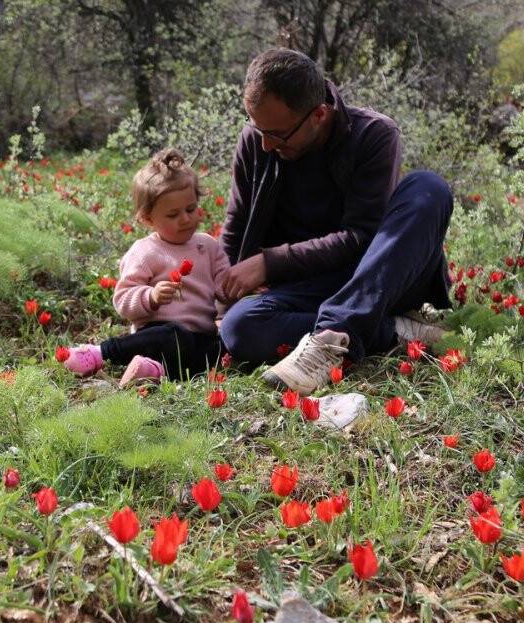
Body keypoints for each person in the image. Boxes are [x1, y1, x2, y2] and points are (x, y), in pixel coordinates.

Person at [218, 48, 454, 396]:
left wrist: (269, 263)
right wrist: (219, 308)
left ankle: (330, 339)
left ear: (319, 115)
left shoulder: (374, 134)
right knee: (240, 327)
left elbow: (360, 238)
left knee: (428, 187)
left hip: (375, 276)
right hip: (306, 286)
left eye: (278, 134)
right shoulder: (257, 140)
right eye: (258, 128)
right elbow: (237, 223)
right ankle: (393, 331)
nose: (265, 144)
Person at [64, 148, 229, 386]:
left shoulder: (208, 246)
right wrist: (150, 295)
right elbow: (123, 300)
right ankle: (101, 353)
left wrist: (235, 287)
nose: (185, 219)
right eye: (173, 214)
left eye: (191, 209)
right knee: (172, 336)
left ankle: (152, 370)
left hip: (200, 335)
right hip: (158, 332)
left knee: (217, 351)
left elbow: (223, 284)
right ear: (148, 219)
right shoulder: (145, 251)